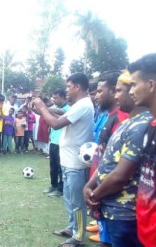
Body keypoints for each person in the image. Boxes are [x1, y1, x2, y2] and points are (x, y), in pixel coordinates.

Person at [83, 70, 148, 247]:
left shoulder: (143, 125)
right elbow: (107, 161)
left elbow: (120, 175)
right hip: (110, 208)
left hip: (125, 213)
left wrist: (95, 195)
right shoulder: (127, 123)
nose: (116, 95)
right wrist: (89, 185)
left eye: (120, 90)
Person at [33, 73, 94, 247]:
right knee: (69, 198)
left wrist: (43, 107)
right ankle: (72, 227)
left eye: (68, 86)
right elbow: (60, 112)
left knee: (77, 201)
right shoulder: (78, 105)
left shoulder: (83, 105)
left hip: (76, 163)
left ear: (77, 87)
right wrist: (44, 109)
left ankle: (78, 236)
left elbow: (56, 123)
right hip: (68, 161)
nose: (66, 90)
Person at [86, 72, 129, 244]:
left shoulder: (121, 118)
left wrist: (98, 192)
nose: (96, 96)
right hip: (100, 187)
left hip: (112, 197)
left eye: (99, 91)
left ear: (112, 91)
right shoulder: (110, 116)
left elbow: (119, 165)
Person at [128, 53, 156, 247]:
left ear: (151, 85)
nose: (131, 91)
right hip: (145, 232)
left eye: (134, 85)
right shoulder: (151, 125)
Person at [44, 89, 70, 198]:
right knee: (53, 166)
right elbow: (42, 112)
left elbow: (62, 113)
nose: (54, 100)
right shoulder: (54, 108)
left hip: (62, 143)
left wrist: (45, 108)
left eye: (56, 98)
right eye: (53, 98)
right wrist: (33, 107)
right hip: (53, 142)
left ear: (64, 97)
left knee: (60, 167)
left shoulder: (68, 108)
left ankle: (61, 189)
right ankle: (53, 185)